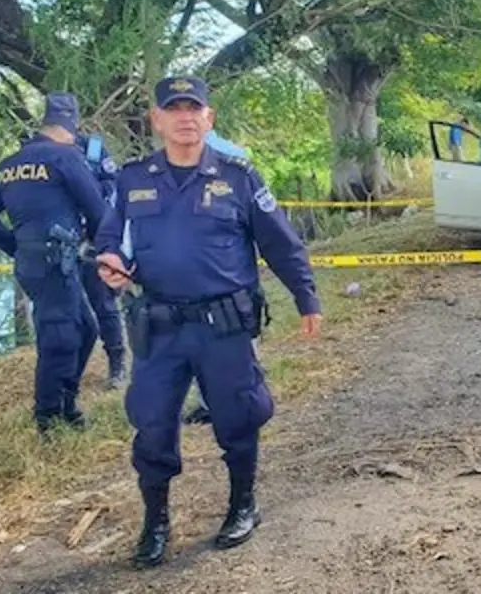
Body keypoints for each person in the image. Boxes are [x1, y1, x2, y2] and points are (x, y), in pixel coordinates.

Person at [93, 75, 322, 568]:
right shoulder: (132, 180)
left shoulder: (238, 178)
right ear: (156, 120)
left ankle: (243, 505)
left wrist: (306, 296)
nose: (185, 118)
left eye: (193, 109)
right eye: (174, 109)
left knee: (238, 416)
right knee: (152, 422)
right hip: (159, 328)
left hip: (224, 326)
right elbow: (111, 239)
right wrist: (110, 262)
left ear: (208, 118)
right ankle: (156, 523)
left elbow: (280, 243)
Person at [0, 93, 112, 434]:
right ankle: (48, 418)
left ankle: (67, 403)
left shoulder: (9, 165)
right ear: (71, 127)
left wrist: (17, 248)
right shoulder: (65, 157)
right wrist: (103, 251)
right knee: (60, 338)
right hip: (56, 261)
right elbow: (97, 210)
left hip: (35, 263)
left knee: (86, 329)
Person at [181, 126, 257, 426]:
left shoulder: (231, 158)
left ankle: (236, 399)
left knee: (231, 328)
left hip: (224, 267)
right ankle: (215, 401)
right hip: (211, 266)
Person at [76, 130, 128, 388]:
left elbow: (113, 186)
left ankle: (117, 363)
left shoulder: (92, 148)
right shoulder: (42, 150)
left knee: (104, 304)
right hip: (60, 241)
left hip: (93, 240)